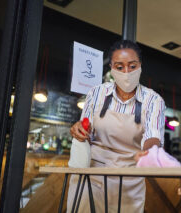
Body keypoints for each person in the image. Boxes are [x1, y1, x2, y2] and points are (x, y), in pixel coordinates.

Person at [67, 40, 165, 213]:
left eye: (132, 66)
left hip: (129, 181)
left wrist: (149, 152)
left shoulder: (153, 100)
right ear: (111, 67)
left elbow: (153, 136)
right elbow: (85, 129)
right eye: (119, 67)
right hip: (91, 176)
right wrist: (78, 130)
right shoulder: (96, 93)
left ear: (140, 66)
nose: (126, 72)